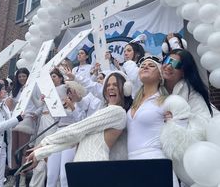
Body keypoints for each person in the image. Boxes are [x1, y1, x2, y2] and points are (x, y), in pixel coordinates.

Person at [25, 71, 133, 169]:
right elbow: (72, 140)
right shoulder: (105, 111)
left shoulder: (118, 112)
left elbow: (78, 128)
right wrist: (39, 153)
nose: (110, 88)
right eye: (108, 85)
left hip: (94, 167)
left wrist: (44, 142)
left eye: (115, 85)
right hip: (82, 165)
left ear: (125, 89)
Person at [160, 49, 213, 187]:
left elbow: (205, 122)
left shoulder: (191, 92)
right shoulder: (157, 88)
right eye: (167, 60)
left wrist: (178, 117)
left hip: (189, 159)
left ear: (183, 71)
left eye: (176, 64)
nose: (169, 66)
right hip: (160, 156)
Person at [127, 55, 180, 187]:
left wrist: (173, 122)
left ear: (160, 76)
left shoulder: (166, 101)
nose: (145, 66)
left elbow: (180, 132)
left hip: (155, 162)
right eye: (143, 65)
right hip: (131, 164)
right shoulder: (133, 103)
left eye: (151, 66)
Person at [0, 82, 24, 187]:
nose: (5, 91)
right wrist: (17, 119)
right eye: (2, 89)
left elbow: (9, 123)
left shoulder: (3, 106)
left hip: (1, 149)